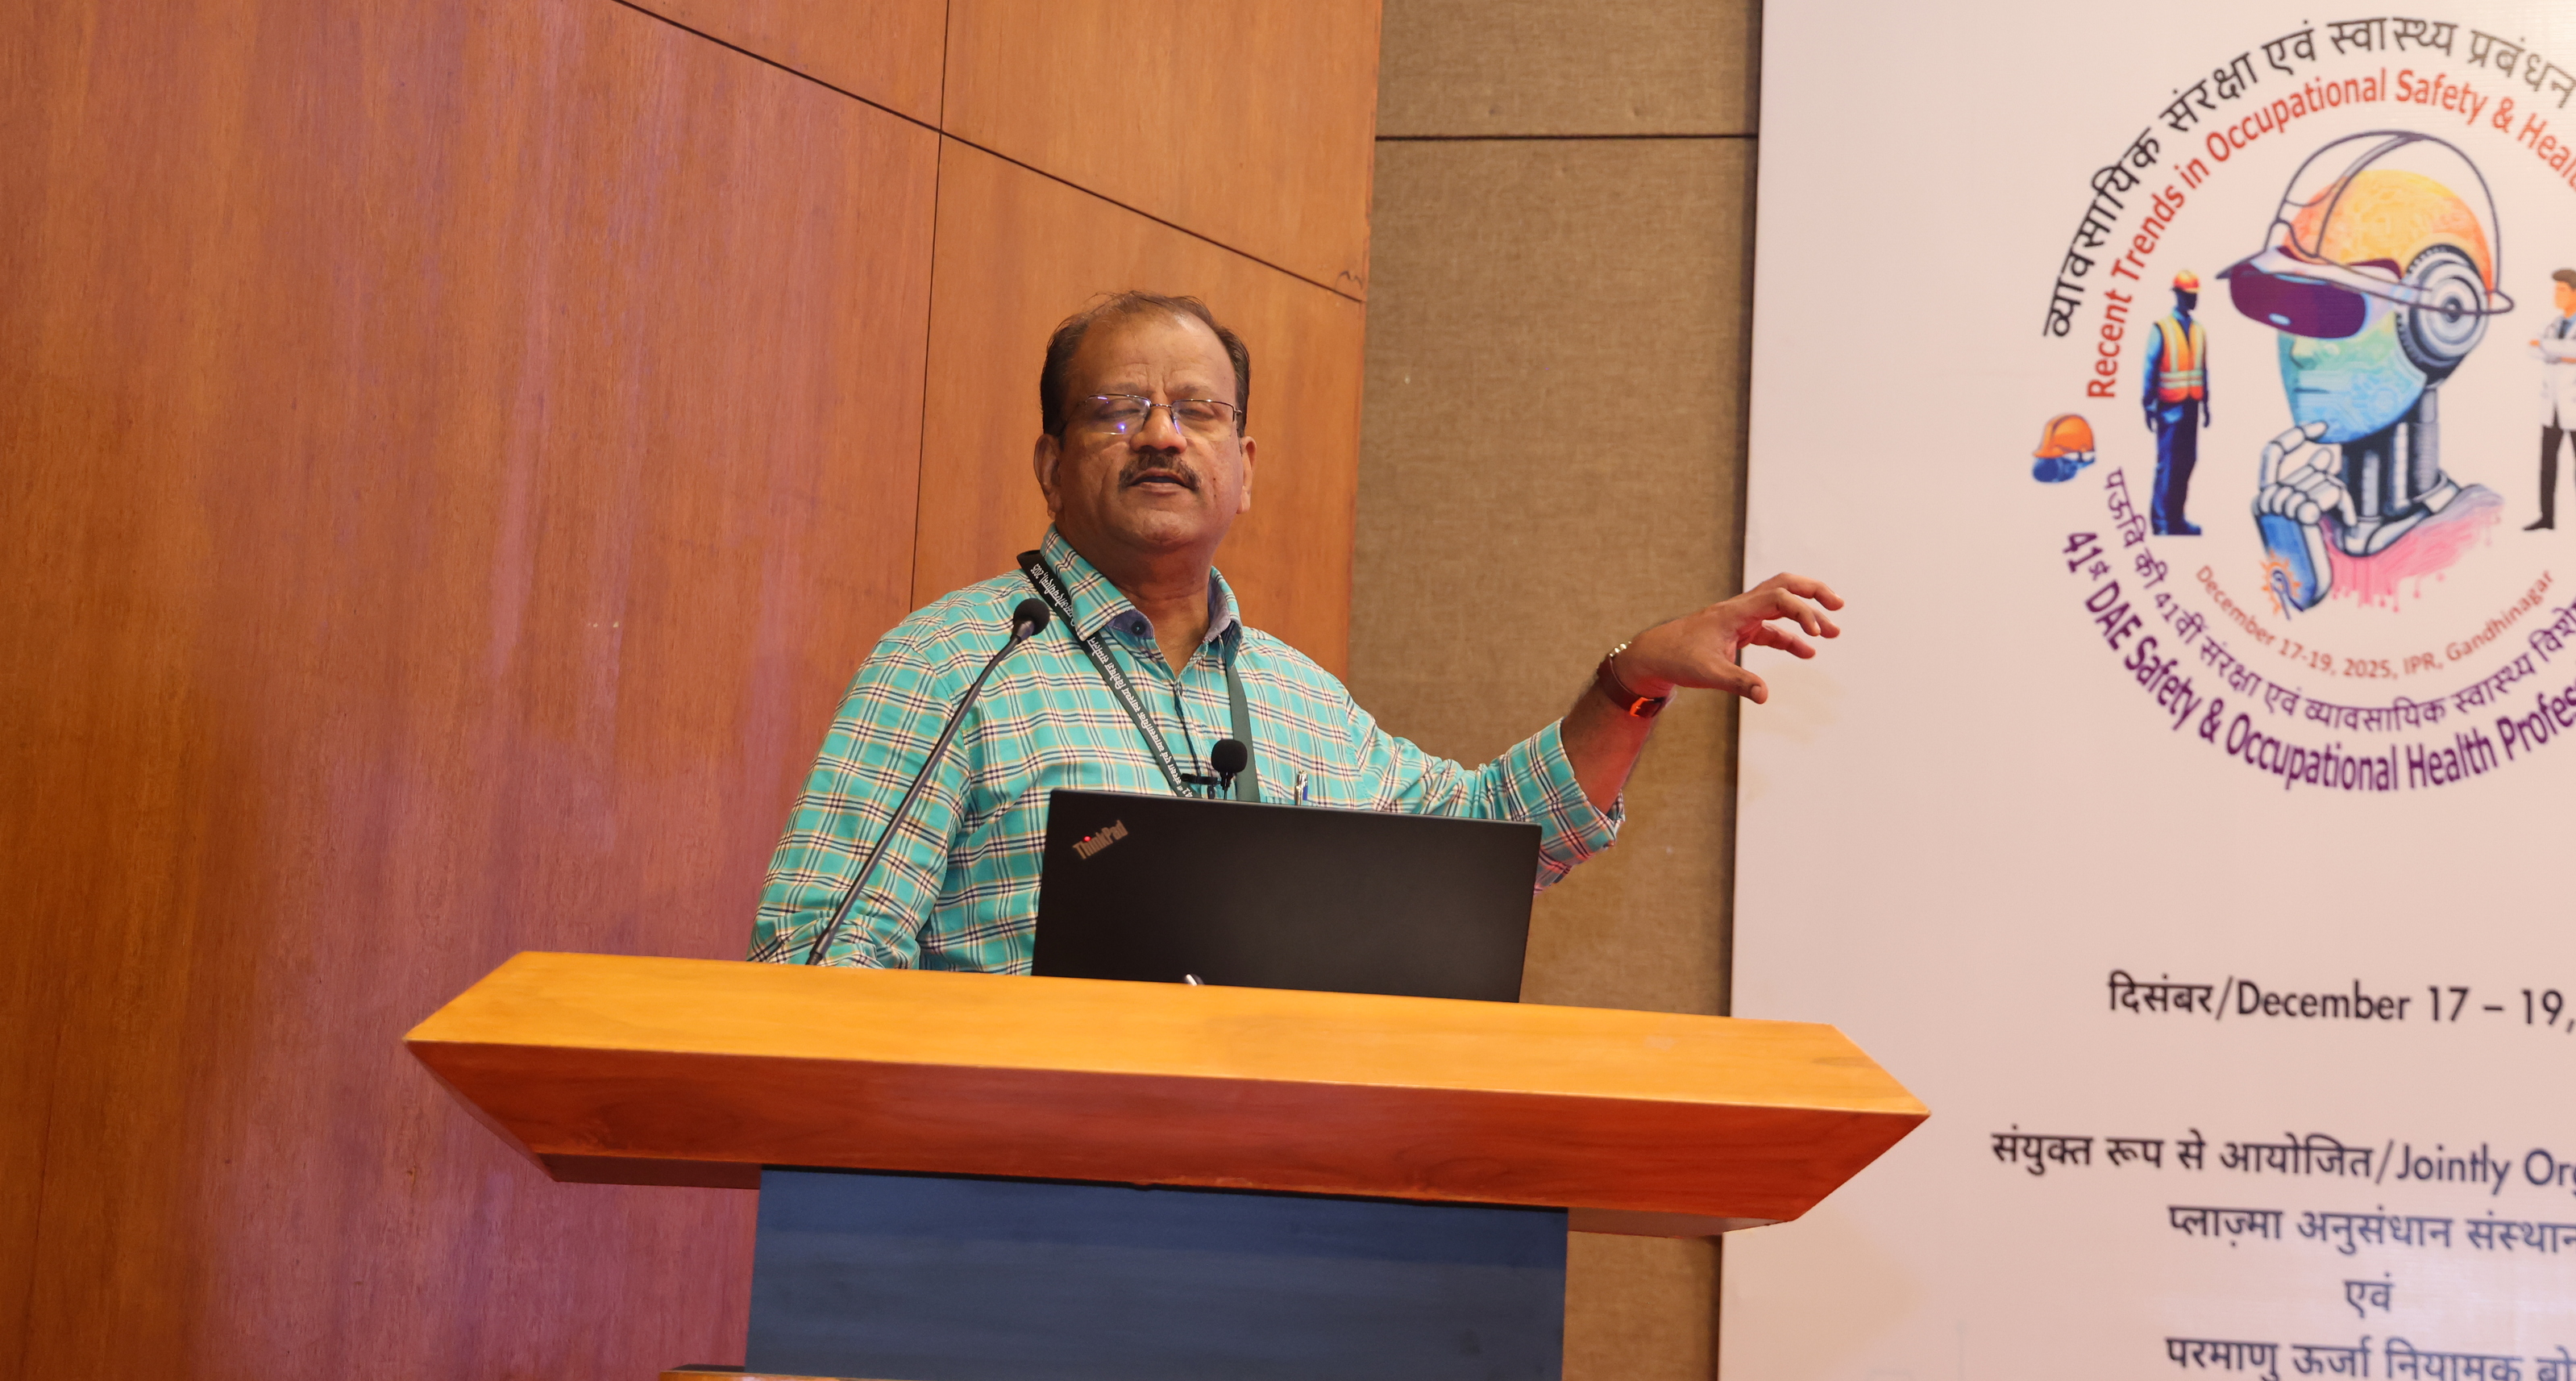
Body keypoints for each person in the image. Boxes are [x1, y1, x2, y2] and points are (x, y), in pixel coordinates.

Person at [754, 290, 1844, 969]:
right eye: (1118, 410)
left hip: (1265, 1202)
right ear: (1051, 463)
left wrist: (1624, 686)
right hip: (1005, 1204)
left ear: (1245, 469)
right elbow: (816, 954)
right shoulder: (954, 662)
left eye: (1198, 410)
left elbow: (1482, 847)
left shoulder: (1293, 698)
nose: (1162, 436)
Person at [2221, 130, 2513, 614]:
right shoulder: (2302, 523)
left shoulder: (2485, 534)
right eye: (2285, 310)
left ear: (2444, 323)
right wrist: (2292, 563)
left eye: (2334, 312)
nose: (2301, 352)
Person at [2524, 268, 2576, 543]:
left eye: (2562, 290)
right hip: (2552, 406)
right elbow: (2531, 349)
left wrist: (2548, 348)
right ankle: (2547, 517)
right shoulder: (2552, 325)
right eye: (2556, 289)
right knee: (2547, 464)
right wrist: (2559, 350)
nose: (2556, 294)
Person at [2139, 268, 2209, 534]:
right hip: (2169, 407)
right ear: (2177, 295)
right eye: (2189, 295)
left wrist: (2207, 404)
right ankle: (2161, 523)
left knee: (2187, 462)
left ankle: (2177, 520)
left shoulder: (2200, 330)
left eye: (2195, 295)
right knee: (2168, 466)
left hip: (2192, 407)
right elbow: (2151, 367)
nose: (2193, 300)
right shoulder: (2161, 329)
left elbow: (2203, 369)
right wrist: (2148, 405)